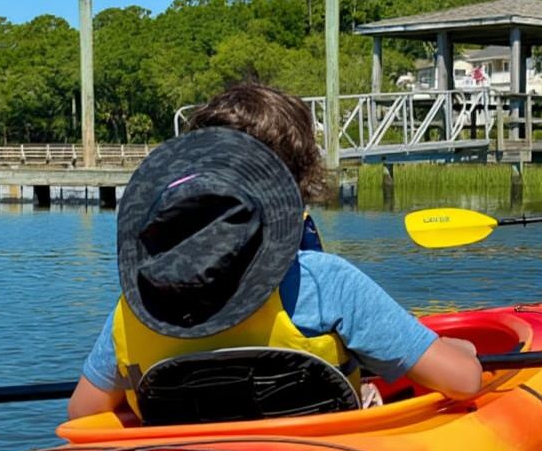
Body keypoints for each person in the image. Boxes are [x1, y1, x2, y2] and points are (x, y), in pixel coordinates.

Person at [67, 83, 483, 421]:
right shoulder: (323, 281)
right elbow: (465, 381)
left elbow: (82, 413)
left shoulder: (139, 300)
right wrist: (463, 351)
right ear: (293, 188)